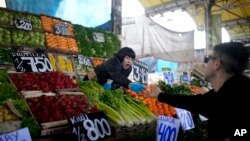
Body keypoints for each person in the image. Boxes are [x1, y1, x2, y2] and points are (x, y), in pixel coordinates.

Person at [146, 42, 250, 141]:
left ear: (217, 63)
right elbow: (196, 102)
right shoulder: (230, 89)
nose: (204, 63)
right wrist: (160, 95)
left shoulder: (234, 95)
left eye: (207, 59)